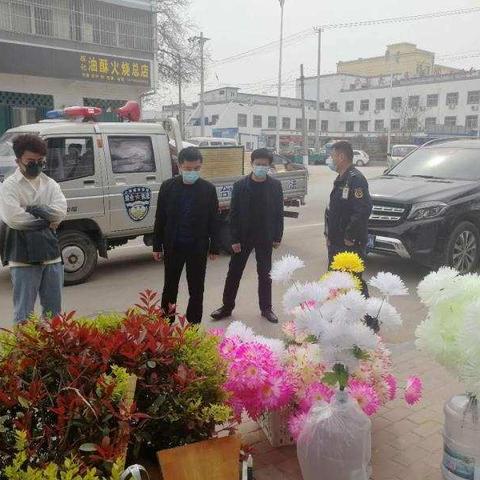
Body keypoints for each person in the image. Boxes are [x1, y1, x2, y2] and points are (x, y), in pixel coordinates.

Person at [211, 148, 284, 324]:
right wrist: (234, 239)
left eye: (264, 165)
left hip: (265, 236)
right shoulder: (240, 186)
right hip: (243, 238)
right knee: (234, 273)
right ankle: (226, 307)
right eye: (257, 164)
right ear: (251, 164)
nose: (260, 167)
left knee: (265, 274)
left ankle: (266, 308)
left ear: (269, 166)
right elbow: (233, 215)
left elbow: (278, 213)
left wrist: (277, 236)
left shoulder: (275, 186)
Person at [0, 134, 67, 324]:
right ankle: (25, 353)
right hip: (22, 258)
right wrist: (47, 219)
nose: (36, 165)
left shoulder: (50, 184)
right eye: (30, 161)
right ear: (18, 160)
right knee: (24, 315)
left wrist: (33, 209)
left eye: (40, 161)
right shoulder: (9, 186)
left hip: (51, 254)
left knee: (53, 313)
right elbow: (15, 219)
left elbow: (60, 213)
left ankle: (52, 351)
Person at [152, 146, 219, 324]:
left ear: (201, 166)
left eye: (196, 169)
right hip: (174, 245)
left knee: (196, 288)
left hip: (197, 246)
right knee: (170, 286)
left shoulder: (208, 189)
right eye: (188, 169)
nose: (192, 172)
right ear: (180, 166)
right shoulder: (168, 187)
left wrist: (215, 247)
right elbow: (160, 217)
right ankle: (166, 321)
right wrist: (157, 245)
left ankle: (194, 323)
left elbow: (214, 219)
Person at [324, 141, 376, 329]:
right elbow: (335, 211)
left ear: (341, 156)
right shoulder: (342, 178)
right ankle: (337, 319)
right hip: (336, 240)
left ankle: (371, 319)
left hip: (349, 242)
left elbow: (362, 210)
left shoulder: (355, 179)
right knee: (336, 280)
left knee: (355, 281)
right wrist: (329, 234)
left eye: (332, 155)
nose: (331, 159)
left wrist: (350, 236)